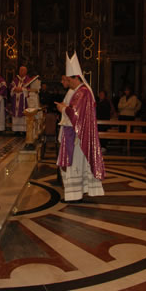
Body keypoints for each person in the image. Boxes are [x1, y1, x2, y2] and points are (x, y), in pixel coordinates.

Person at [56, 52, 105, 202]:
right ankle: (77, 193)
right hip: (76, 134)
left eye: (69, 80)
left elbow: (76, 115)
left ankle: (75, 195)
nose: (67, 82)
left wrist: (63, 109)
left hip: (77, 137)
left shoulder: (83, 93)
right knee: (76, 164)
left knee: (74, 165)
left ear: (76, 77)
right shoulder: (80, 92)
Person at [10, 66, 31, 135]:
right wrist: (14, 89)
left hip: (23, 101)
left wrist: (22, 89)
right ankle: (16, 130)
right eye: (20, 70)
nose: (21, 72)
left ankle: (23, 130)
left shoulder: (28, 80)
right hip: (15, 100)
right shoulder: (15, 79)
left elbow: (30, 90)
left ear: (26, 71)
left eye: (23, 70)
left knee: (23, 114)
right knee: (15, 114)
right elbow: (11, 88)